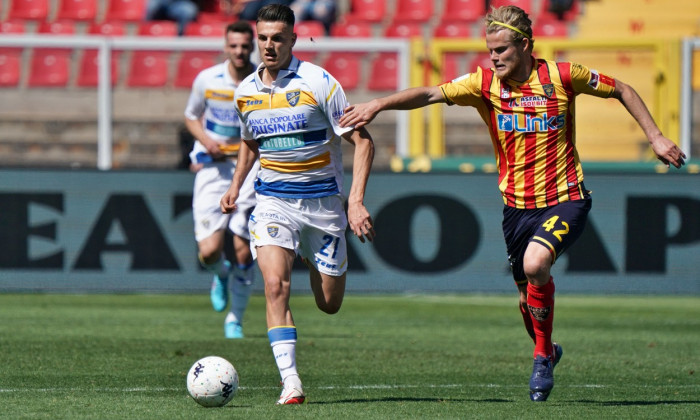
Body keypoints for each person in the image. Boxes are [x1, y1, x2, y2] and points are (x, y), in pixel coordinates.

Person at [339, 5, 686, 402]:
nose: (494, 57)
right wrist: (377, 105)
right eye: (490, 50)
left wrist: (656, 136)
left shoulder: (562, 76)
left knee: (535, 264)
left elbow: (622, 88)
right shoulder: (483, 84)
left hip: (565, 198)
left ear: (524, 45)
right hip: (515, 208)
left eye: (502, 49)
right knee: (526, 298)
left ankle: (540, 357)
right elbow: (430, 93)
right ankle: (548, 348)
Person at [219, 3, 376, 405]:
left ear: (292, 39)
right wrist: (237, 185)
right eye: (263, 38)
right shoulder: (245, 92)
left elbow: (362, 141)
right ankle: (291, 382)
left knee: (329, 304)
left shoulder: (319, 83)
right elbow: (250, 143)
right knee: (274, 286)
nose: (269, 46)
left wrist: (354, 202)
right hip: (273, 203)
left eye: (277, 39)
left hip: (323, 209)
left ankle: (310, 254)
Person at [184, 21, 259, 339]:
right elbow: (191, 116)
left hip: (250, 167)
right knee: (210, 252)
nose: (240, 51)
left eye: (245, 46)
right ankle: (220, 274)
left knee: (243, 250)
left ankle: (235, 320)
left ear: (251, 46)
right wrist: (205, 142)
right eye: (234, 46)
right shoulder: (207, 79)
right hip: (213, 168)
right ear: (226, 46)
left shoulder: (261, 80)